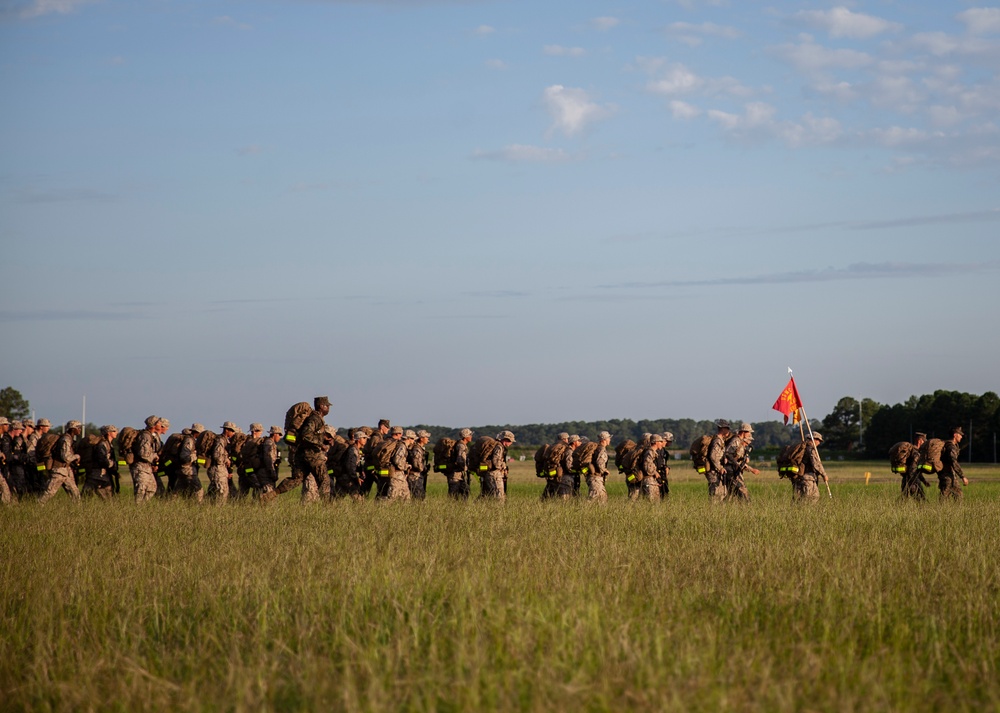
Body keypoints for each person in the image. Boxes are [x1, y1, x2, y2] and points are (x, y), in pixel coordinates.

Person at [39, 420, 83, 503]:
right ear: (72, 429)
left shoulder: (69, 439)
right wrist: (76, 456)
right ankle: (37, 507)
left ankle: (78, 512)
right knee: (49, 493)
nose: (80, 429)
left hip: (65, 470)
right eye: (78, 428)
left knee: (75, 493)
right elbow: (65, 457)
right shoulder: (66, 439)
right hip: (59, 471)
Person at [299, 396, 332, 504]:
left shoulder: (318, 419)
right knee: (325, 480)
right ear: (321, 406)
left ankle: (272, 494)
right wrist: (320, 444)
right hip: (312, 455)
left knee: (297, 480)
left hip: (310, 454)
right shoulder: (314, 419)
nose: (328, 408)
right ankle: (327, 506)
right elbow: (306, 435)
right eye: (327, 406)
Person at [82, 425, 119, 500]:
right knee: (108, 500)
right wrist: (112, 464)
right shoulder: (102, 445)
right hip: (99, 476)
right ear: (108, 433)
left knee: (85, 498)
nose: (117, 432)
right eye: (114, 431)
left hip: (95, 475)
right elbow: (102, 460)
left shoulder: (108, 444)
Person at [724, 423, 759, 502]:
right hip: (731, 470)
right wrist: (736, 464)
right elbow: (727, 453)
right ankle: (747, 507)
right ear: (743, 432)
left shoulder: (739, 442)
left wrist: (750, 469)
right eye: (749, 432)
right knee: (743, 491)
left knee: (731, 493)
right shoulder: (736, 440)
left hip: (735, 470)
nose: (750, 434)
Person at [207, 422, 237, 503]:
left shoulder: (225, 440)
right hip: (217, 469)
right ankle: (219, 510)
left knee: (214, 491)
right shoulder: (220, 440)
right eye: (232, 431)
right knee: (222, 492)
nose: (233, 433)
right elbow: (217, 456)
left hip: (220, 469)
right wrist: (226, 460)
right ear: (226, 430)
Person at [334, 429, 368, 500]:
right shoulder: (353, 450)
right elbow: (350, 466)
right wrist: (356, 478)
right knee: (359, 500)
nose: (366, 440)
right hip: (347, 479)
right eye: (364, 438)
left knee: (338, 499)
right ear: (358, 439)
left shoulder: (355, 450)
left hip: (343, 477)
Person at [176, 424, 205, 502]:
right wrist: (195, 457)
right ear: (197, 432)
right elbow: (184, 456)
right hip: (187, 470)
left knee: (178, 492)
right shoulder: (189, 440)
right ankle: (198, 507)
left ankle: (169, 505)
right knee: (199, 490)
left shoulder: (191, 440)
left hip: (184, 470)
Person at [794, 432, 827, 503]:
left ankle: (798, 512)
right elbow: (816, 464)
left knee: (799, 499)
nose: (819, 443)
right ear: (814, 439)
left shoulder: (802, 449)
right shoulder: (810, 450)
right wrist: (824, 474)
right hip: (808, 478)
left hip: (799, 477)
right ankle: (806, 512)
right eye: (819, 441)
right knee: (810, 498)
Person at [482, 431, 514, 502]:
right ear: (506, 440)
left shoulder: (495, 445)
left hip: (489, 472)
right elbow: (496, 461)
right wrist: (503, 467)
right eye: (511, 441)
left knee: (486, 494)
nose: (511, 443)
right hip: (494, 474)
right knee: (499, 495)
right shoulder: (499, 447)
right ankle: (498, 510)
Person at [939, 426, 968, 501]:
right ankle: (940, 511)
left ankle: (957, 511)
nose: (961, 437)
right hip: (947, 475)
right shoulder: (951, 447)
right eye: (960, 434)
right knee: (945, 496)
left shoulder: (948, 445)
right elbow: (953, 462)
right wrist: (962, 476)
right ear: (955, 435)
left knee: (958, 495)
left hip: (948, 474)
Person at [900, 432, 930, 501]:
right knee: (922, 501)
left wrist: (924, 481)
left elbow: (917, 470)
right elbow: (913, 469)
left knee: (903, 500)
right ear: (919, 441)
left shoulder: (910, 451)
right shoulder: (916, 453)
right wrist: (914, 482)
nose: (924, 443)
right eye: (924, 441)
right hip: (913, 482)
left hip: (905, 480)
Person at [706, 419, 732, 502]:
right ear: (722, 429)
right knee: (715, 495)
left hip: (717, 471)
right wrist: (720, 467)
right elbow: (713, 456)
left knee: (721, 493)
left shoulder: (721, 440)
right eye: (727, 428)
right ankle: (713, 513)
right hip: (714, 472)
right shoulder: (717, 440)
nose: (728, 430)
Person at [386, 429, 413, 501]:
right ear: (408, 438)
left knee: (406, 497)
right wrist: (406, 466)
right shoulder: (402, 447)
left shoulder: (403, 446)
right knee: (392, 497)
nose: (413, 441)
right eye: (412, 438)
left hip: (401, 476)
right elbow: (397, 461)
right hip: (396, 475)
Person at [257, 426, 282, 501]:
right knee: (268, 493)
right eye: (279, 435)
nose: (280, 437)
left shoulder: (270, 443)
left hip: (266, 471)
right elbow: (268, 459)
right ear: (275, 434)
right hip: (266, 472)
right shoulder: (269, 444)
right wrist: (272, 471)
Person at [586, 431, 612, 503]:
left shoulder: (597, 448)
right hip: (595, 478)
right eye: (608, 438)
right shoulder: (601, 449)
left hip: (595, 477)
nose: (610, 440)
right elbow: (599, 462)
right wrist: (604, 470)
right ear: (604, 440)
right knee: (593, 496)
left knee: (603, 497)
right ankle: (583, 510)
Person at [447, 429, 473, 500]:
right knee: (453, 494)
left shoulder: (461, 444)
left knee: (465, 491)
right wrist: (465, 468)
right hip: (455, 474)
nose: (471, 437)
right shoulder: (461, 446)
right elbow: (460, 459)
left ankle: (461, 507)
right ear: (465, 437)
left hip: (459, 474)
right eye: (470, 435)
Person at [638, 434, 666, 501]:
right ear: (656, 442)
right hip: (649, 481)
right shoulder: (650, 452)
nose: (662, 444)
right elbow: (647, 467)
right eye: (660, 442)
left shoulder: (653, 452)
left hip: (652, 482)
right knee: (651, 503)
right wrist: (655, 473)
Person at [407, 430, 431, 500]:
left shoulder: (419, 448)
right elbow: (416, 464)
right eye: (426, 437)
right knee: (419, 496)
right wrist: (424, 468)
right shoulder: (417, 449)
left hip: (416, 475)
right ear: (421, 438)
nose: (428, 439)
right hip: (414, 476)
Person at [556, 435, 581, 499]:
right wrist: (579, 470)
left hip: (568, 477)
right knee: (565, 499)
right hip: (566, 478)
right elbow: (569, 467)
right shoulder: (569, 452)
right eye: (578, 441)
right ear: (574, 442)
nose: (580, 442)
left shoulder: (571, 451)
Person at [657, 432, 674, 498]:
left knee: (665, 493)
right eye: (669, 441)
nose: (670, 443)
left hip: (663, 475)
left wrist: (667, 468)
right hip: (656, 475)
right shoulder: (655, 450)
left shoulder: (665, 452)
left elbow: (664, 463)